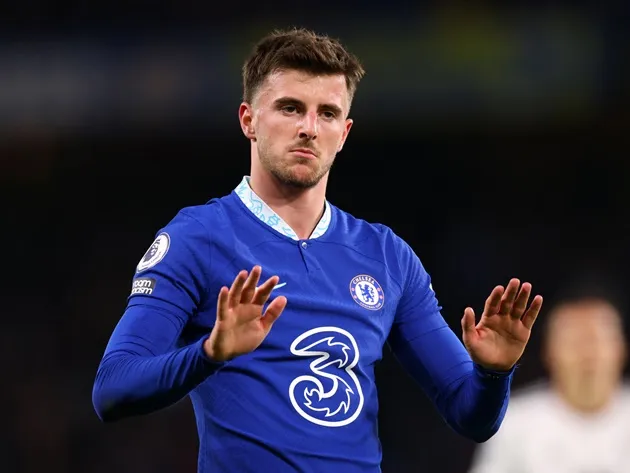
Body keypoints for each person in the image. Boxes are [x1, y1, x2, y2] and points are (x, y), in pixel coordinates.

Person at [92, 27, 543, 473]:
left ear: (344, 133)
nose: (309, 128)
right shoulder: (198, 238)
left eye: (327, 113)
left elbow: (471, 416)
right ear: (248, 120)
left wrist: (493, 373)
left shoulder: (387, 256)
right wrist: (209, 353)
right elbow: (111, 389)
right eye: (290, 108)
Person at [468, 291, 630, 473]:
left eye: (597, 340)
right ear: (549, 352)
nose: (588, 353)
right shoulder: (514, 423)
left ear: (622, 349)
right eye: (574, 342)